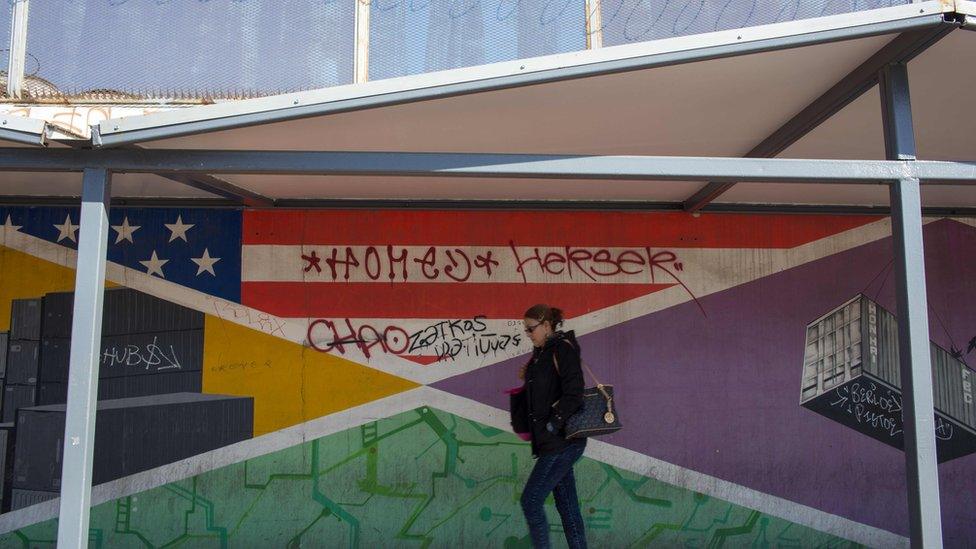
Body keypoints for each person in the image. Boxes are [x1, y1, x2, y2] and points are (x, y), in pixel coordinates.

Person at [518, 304, 587, 549]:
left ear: (547, 325)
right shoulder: (542, 353)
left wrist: (553, 423)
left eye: (531, 329)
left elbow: (575, 392)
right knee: (567, 508)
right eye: (526, 330)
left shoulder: (562, 350)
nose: (528, 334)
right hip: (553, 443)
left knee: (531, 500)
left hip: (563, 441)